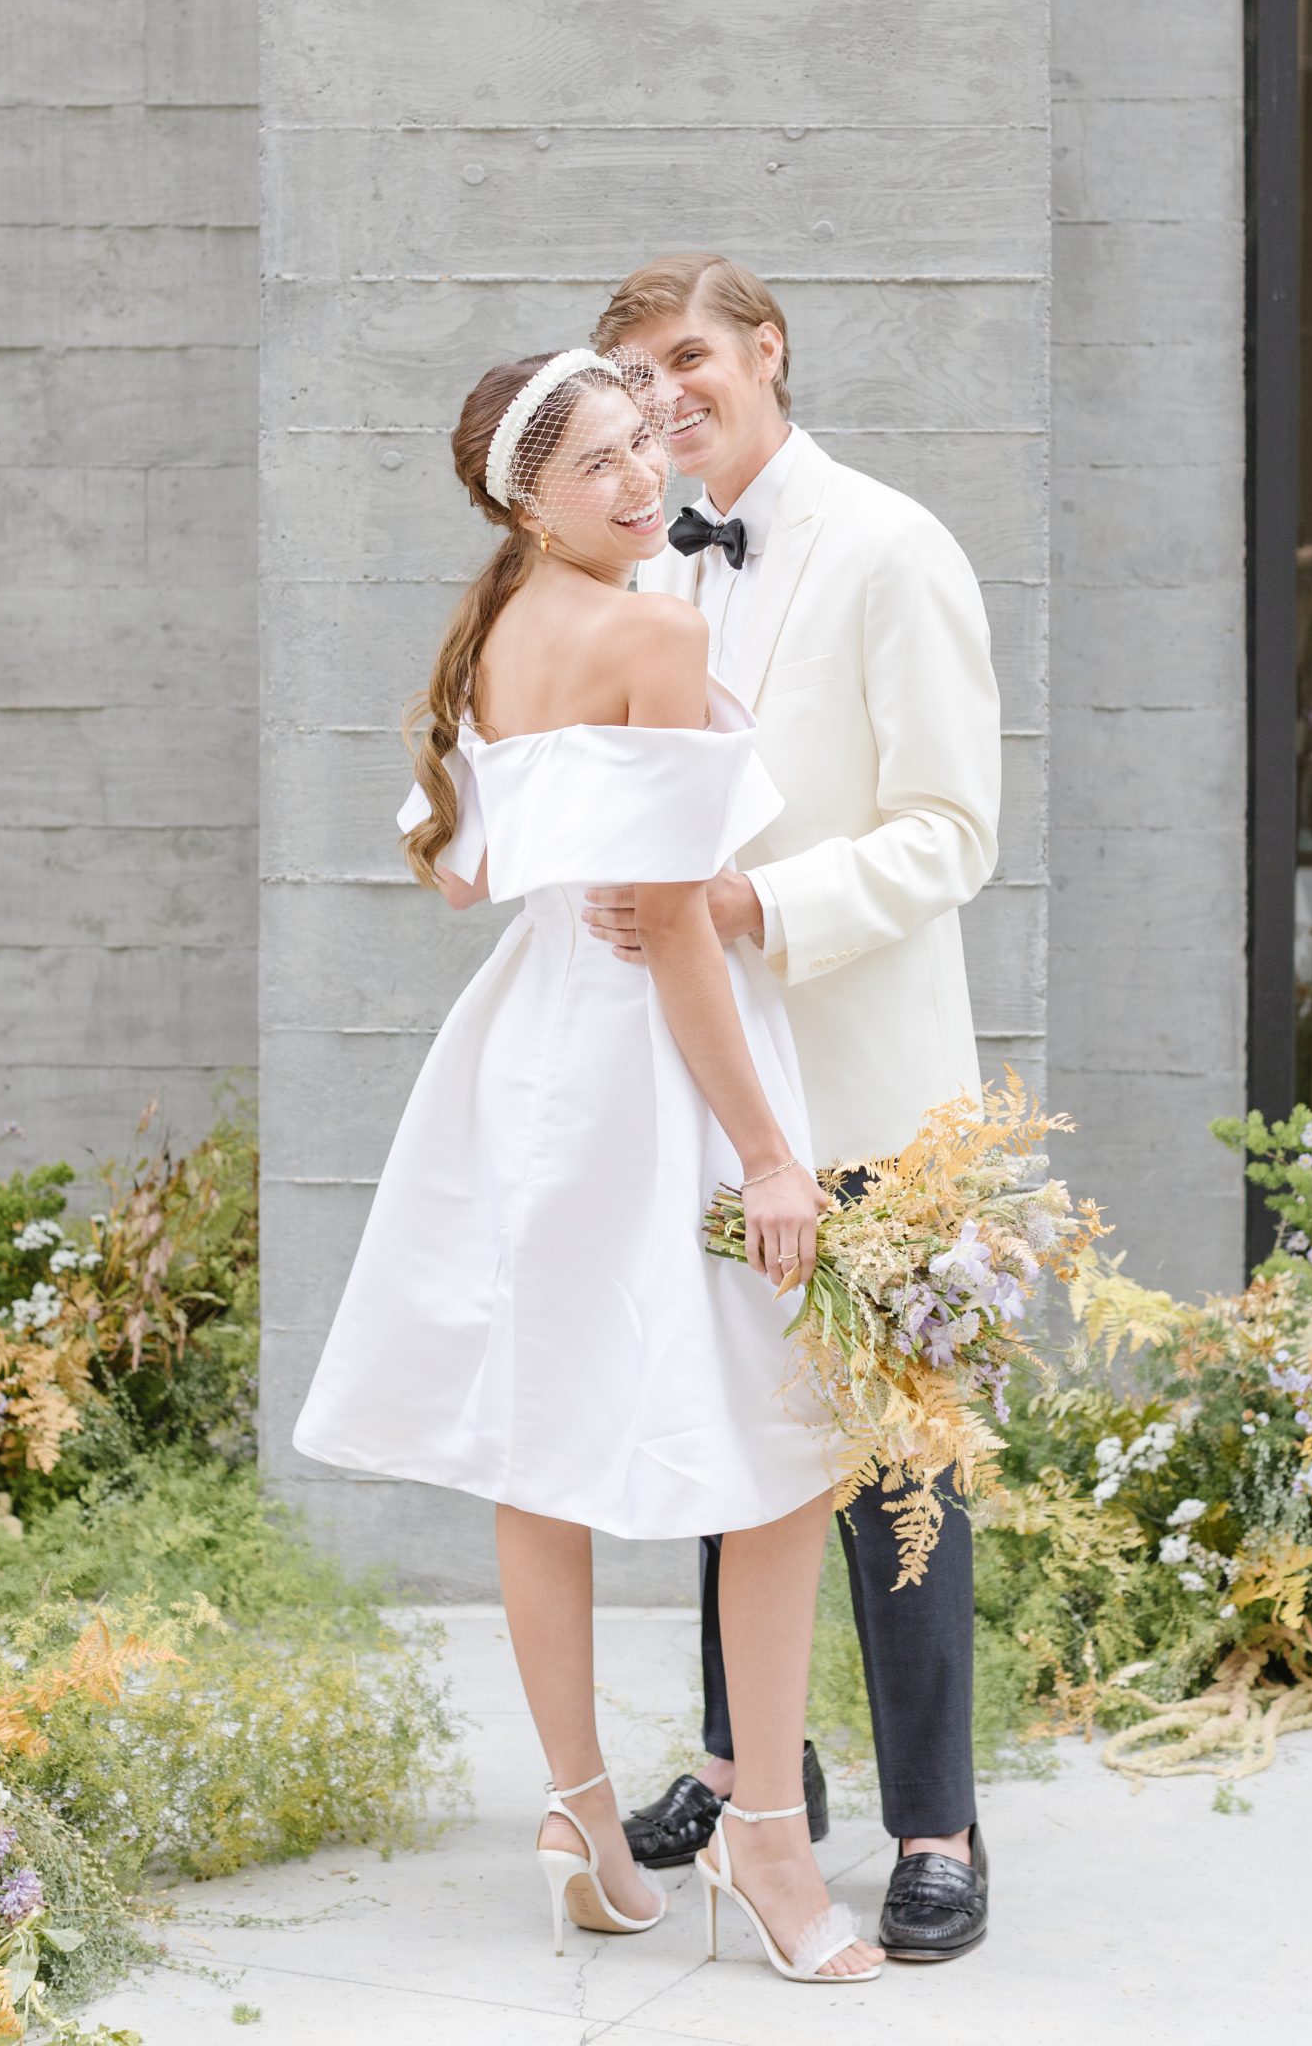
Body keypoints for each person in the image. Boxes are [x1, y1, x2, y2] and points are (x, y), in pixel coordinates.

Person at [291, 346, 884, 1986]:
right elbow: (681, 921)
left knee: (543, 1445)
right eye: (601, 469)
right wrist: (770, 1154)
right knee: (787, 1449)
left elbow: (477, 877)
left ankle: (580, 1817)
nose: (645, 484)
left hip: (525, 1057)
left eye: (647, 447)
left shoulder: (500, 625)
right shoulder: (652, 624)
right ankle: (766, 1830)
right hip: (653, 1065)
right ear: (528, 502)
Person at [584, 256, 1002, 1964]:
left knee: (899, 1482)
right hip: (720, 1090)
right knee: (729, 1443)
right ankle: (755, 1770)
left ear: (765, 351)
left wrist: (751, 908)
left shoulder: (893, 546)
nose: (664, 395)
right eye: (631, 373)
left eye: (687, 357)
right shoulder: (649, 571)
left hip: (878, 1100)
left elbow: (952, 830)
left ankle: (938, 1826)